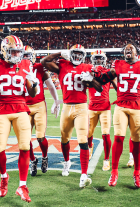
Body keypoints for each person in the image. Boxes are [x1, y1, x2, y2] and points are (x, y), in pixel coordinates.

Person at [93, 43, 140, 189]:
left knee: (136, 140)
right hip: (121, 106)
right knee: (118, 137)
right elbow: (103, 80)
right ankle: (114, 172)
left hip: (137, 106)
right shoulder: (118, 65)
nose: (128, 49)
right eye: (125, 48)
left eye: (131, 48)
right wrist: (94, 76)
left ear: (137, 51)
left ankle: (137, 174)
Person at [0, 35, 38, 203]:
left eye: (18, 52)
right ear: (5, 51)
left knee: (25, 147)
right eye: (12, 52)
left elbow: (32, 93)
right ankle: (4, 177)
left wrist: (33, 84)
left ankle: (22, 185)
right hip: (2, 108)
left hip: (21, 108)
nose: (16, 55)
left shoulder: (26, 64)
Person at [41, 44, 103, 188]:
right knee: (64, 139)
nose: (77, 56)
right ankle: (67, 162)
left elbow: (99, 88)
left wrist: (90, 80)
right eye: (74, 53)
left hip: (81, 108)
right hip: (66, 107)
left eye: (79, 54)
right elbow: (44, 61)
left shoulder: (88, 68)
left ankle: (83, 174)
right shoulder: (63, 64)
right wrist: (59, 53)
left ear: (84, 56)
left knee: (82, 140)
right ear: (70, 53)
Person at [22, 46, 62, 177]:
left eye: (28, 55)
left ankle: (45, 157)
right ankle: (33, 160)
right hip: (24, 106)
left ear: (33, 56)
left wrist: (56, 101)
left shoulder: (39, 68)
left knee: (40, 136)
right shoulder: (17, 70)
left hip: (39, 105)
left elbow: (50, 86)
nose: (26, 58)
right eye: (24, 55)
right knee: (25, 138)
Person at [88, 50, 114, 171]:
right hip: (92, 107)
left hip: (105, 108)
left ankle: (106, 159)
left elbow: (117, 85)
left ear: (104, 59)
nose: (98, 60)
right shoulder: (88, 71)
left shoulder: (108, 72)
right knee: (88, 133)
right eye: (96, 58)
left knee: (105, 134)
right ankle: (89, 147)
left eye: (100, 58)